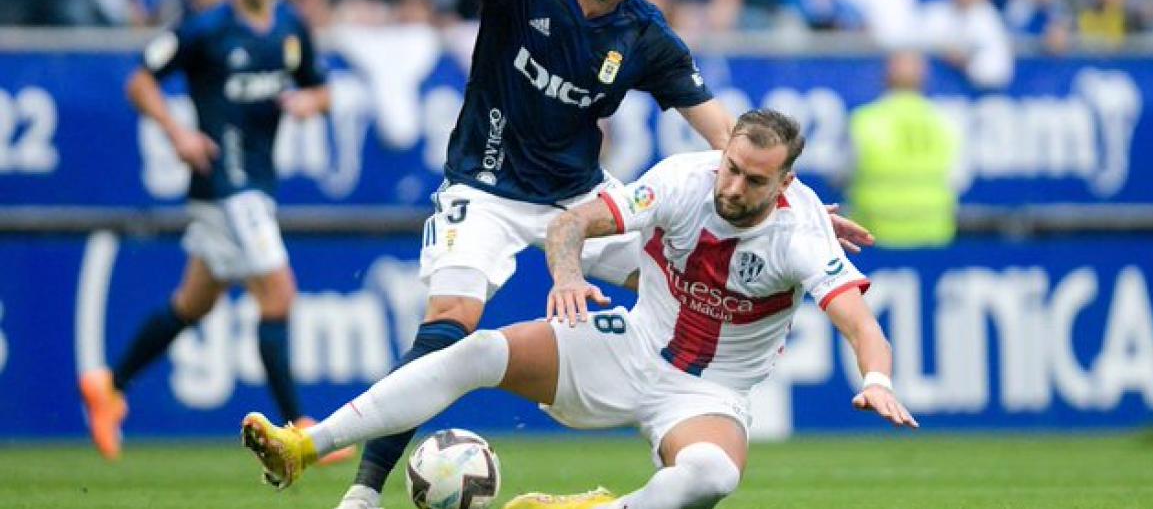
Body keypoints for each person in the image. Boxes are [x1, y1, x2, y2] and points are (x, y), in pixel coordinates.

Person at [320, 0, 874, 509]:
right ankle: (363, 492)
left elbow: (728, 138)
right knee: (451, 321)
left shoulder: (644, 34)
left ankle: (682, 424)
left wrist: (792, 201)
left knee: (682, 281)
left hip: (579, 195)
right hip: (486, 185)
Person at [239, 109, 917, 508]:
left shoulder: (801, 234)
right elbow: (574, 223)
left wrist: (877, 380)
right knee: (476, 350)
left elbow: (861, 325)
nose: (734, 186)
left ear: (786, 182)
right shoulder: (683, 178)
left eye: (755, 179)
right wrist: (566, 275)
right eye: (730, 166)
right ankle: (304, 446)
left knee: (713, 476)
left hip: (707, 395)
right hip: (629, 346)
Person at [76, 0, 352, 466]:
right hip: (226, 185)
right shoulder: (207, 30)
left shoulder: (291, 28)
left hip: (251, 188)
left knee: (193, 302)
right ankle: (300, 432)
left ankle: (109, 385)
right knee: (279, 295)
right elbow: (139, 81)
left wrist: (309, 103)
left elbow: (323, 90)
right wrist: (177, 133)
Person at [848, 52, 960, 248]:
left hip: (874, 236)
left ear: (885, 78)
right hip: (933, 236)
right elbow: (958, 178)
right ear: (924, 79)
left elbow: (842, 174)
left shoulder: (864, 121)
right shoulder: (946, 121)